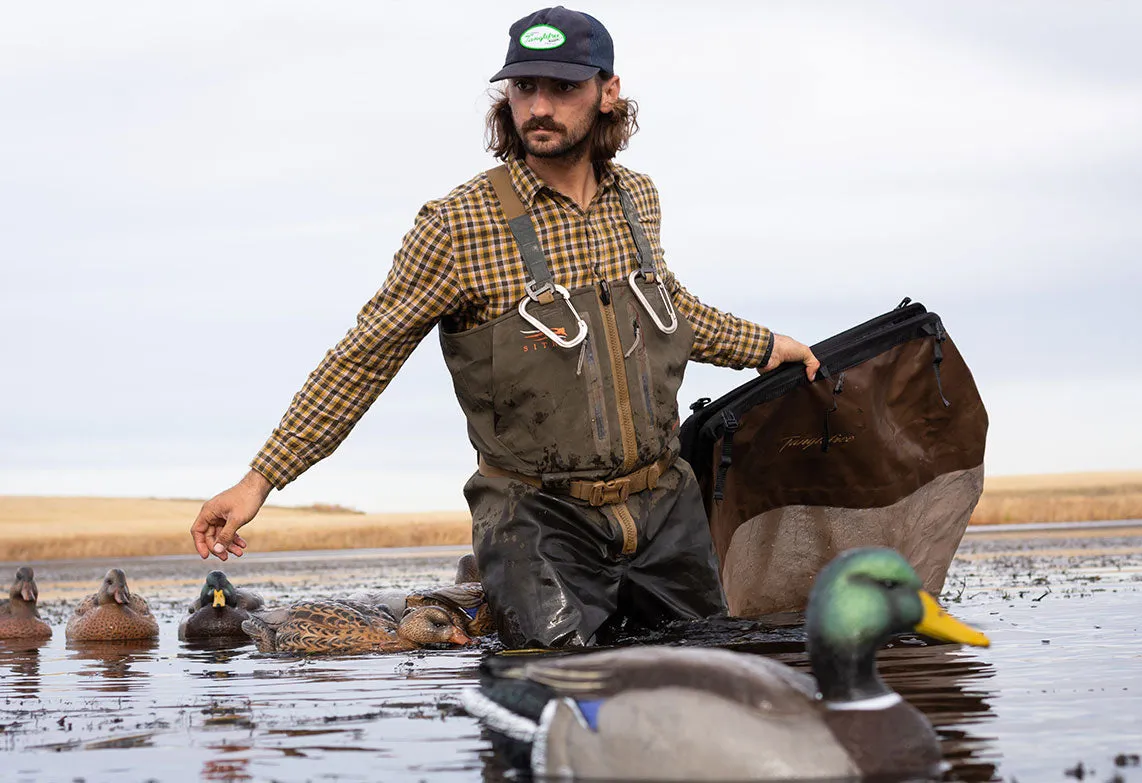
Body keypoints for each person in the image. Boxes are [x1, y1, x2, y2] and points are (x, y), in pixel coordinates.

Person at [189, 6, 820, 648]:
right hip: (537, 523)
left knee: (709, 683)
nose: (539, 107)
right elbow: (362, 360)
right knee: (549, 697)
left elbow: (671, 311)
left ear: (609, 93)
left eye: (562, 88)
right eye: (524, 88)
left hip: (666, 510)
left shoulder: (638, 198)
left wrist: (767, 347)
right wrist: (259, 478)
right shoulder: (457, 225)